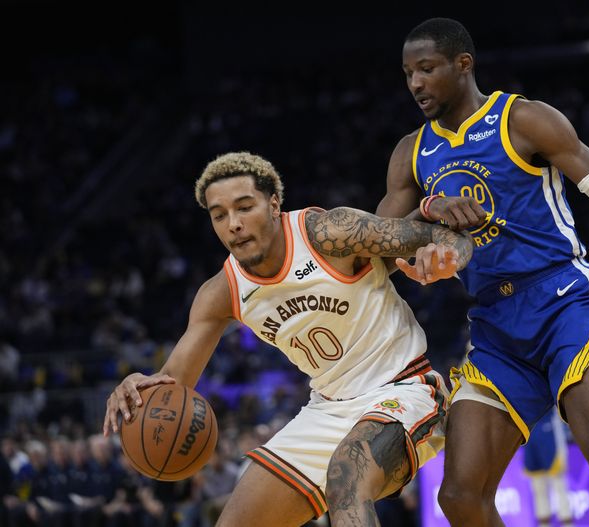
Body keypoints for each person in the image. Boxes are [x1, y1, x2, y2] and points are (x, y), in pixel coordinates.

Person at [376, 18, 589, 526]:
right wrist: (430, 207)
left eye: (426, 68)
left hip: (564, 299)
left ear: (463, 65)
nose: (415, 83)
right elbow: (374, 242)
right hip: (494, 325)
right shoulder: (411, 154)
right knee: (460, 495)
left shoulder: (523, 119)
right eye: (407, 72)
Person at [103, 152, 473, 526]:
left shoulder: (329, 232)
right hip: (328, 409)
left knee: (346, 479)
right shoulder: (220, 293)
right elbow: (173, 383)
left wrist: (448, 257)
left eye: (244, 207)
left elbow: (440, 234)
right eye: (219, 215)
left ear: (274, 204)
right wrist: (139, 387)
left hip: (405, 388)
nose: (233, 224)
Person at [521, 408, 573, 527]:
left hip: (550, 433)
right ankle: (543, 524)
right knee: (538, 487)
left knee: (559, 485)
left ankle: (567, 523)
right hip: (530, 437)